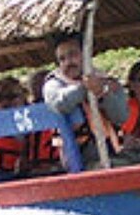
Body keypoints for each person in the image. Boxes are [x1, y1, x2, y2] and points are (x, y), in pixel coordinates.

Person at [43, 32, 129, 169]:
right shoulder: (53, 84)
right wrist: (85, 88)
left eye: (73, 55)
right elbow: (60, 104)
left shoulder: (107, 81)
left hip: (111, 153)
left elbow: (121, 116)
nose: (68, 62)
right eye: (62, 59)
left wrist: (102, 92)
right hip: (76, 159)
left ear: (86, 54)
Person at [0, 76, 62, 178]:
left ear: (24, 97)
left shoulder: (40, 119)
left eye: (11, 97)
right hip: (2, 175)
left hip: (49, 170)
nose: (5, 102)